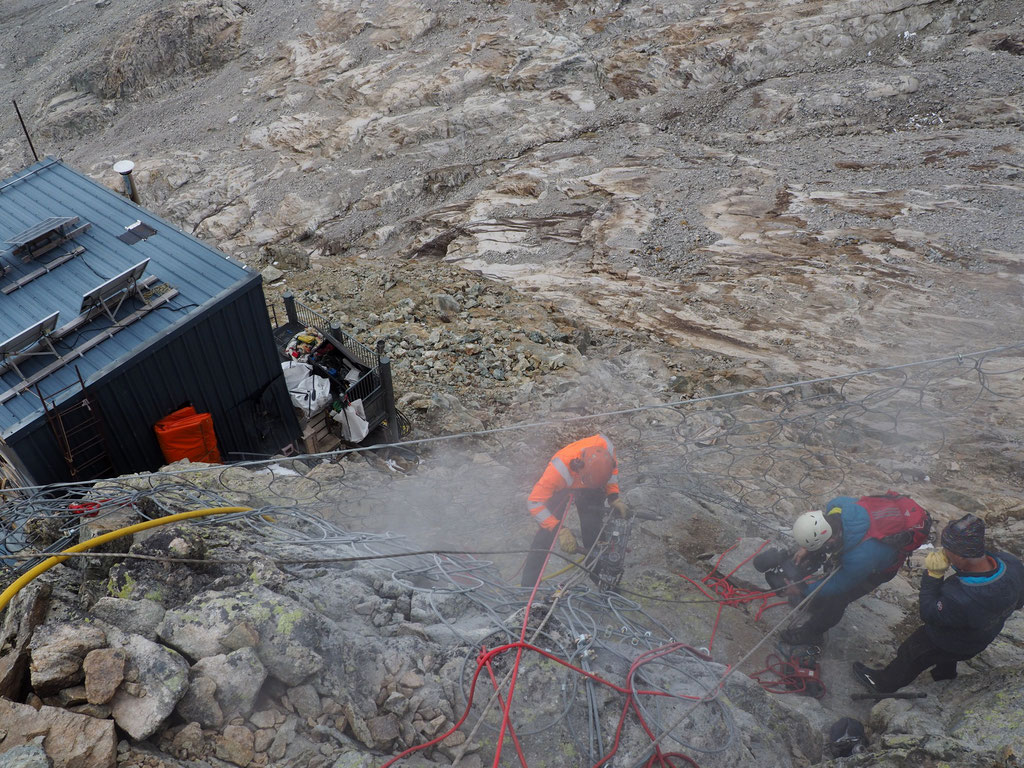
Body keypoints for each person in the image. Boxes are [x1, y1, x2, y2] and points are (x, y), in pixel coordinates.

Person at [852, 514, 1024, 693]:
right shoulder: (1011, 564)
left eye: (947, 548)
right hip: (982, 638)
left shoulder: (960, 596)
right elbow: (1019, 602)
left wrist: (933, 576)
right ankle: (944, 672)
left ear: (960, 555)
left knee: (912, 653)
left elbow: (928, 613)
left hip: (945, 641)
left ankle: (883, 684)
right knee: (953, 646)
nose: (943, 551)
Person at [780, 493, 930, 646]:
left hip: (877, 570)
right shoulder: (837, 506)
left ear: (831, 539)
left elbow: (839, 584)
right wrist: (807, 548)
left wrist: (802, 591)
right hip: (860, 549)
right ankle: (816, 603)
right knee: (827, 587)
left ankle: (813, 633)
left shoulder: (861, 556)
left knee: (837, 598)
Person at [520, 434, 626, 588]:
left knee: (594, 534)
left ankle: (601, 581)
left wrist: (613, 496)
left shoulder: (606, 449)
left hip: (592, 484)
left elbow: (612, 474)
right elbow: (534, 502)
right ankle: (528, 587)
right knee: (545, 536)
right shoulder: (558, 470)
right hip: (562, 488)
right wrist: (558, 529)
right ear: (579, 470)